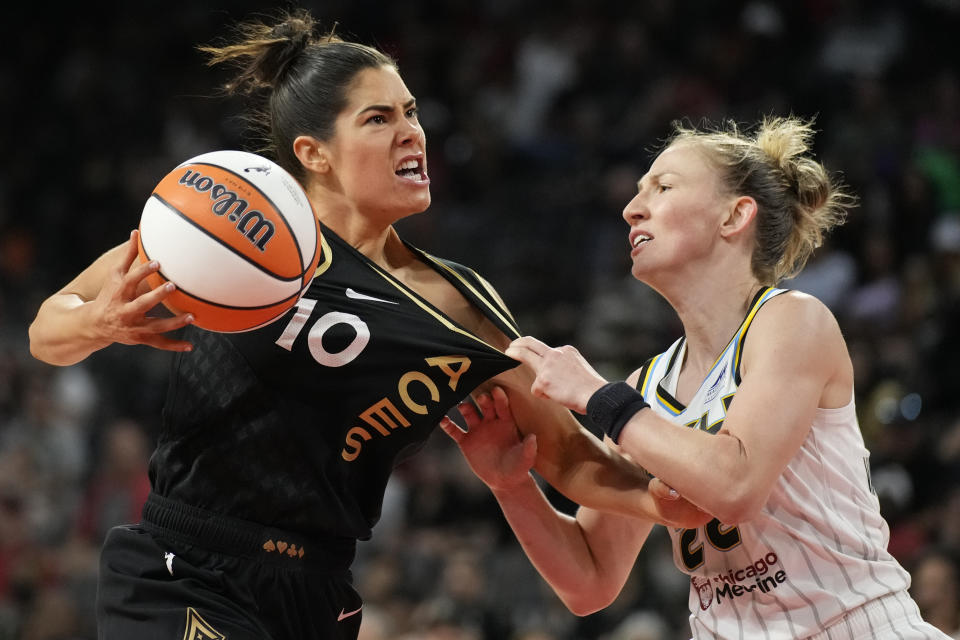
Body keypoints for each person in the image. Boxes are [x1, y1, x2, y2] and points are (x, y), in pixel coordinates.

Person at [26, 9, 705, 640]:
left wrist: (660, 500)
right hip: (186, 564)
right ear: (315, 153)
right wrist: (100, 324)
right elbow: (48, 328)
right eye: (379, 119)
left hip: (319, 589)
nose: (412, 132)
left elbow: (567, 455)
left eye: (411, 113)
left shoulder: (456, 303)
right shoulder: (228, 224)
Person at [441, 116, 951, 639]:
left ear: (734, 216)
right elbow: (590, 581)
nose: (631, 208)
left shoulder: (792, 320)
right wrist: (511, 484)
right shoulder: (647, 387)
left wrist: (598, 397)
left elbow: (736, 484)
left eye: (662, 187)